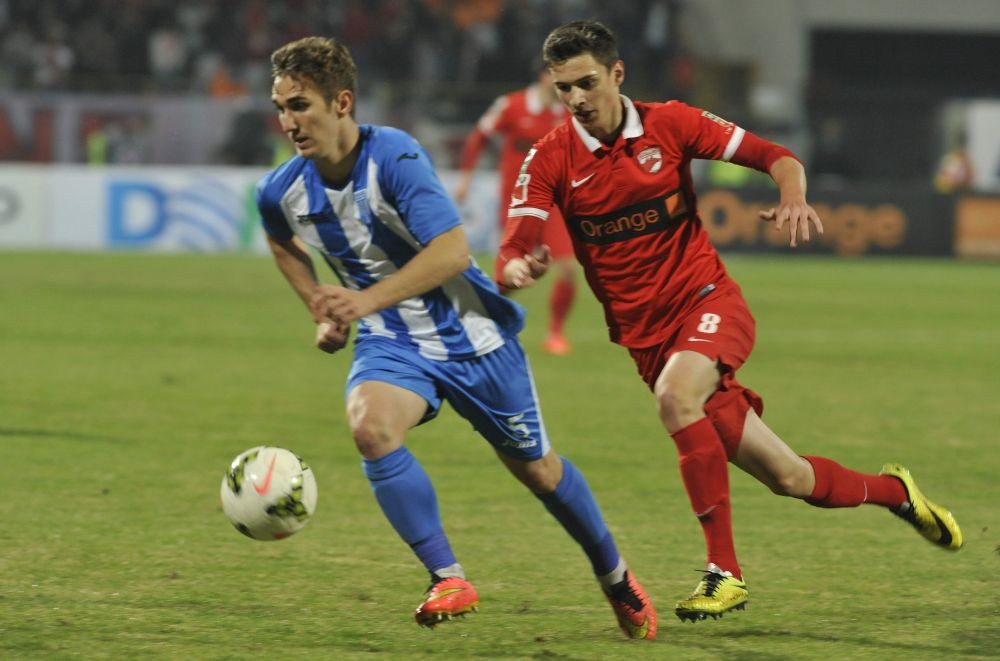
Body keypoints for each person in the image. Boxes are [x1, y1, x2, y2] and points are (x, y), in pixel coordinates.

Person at [498, 20, 964, 623]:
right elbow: (515, 245)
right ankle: (897, 493)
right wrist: (517, 269)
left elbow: (776, 156)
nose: (577, 98)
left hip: (708, 302)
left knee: (676, 398)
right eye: (564, 88)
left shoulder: (671, 123)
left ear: (617, 74)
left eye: (587, 82)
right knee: (790, 477)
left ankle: (724, 573)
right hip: (647, 341)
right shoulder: (550, 157)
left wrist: (792, 195)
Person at [255, 36, 657, 639]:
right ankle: (447, 576)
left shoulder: (393, 156)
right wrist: (318, 304)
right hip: (393, 341)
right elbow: (279, 237)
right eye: (281, 108)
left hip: (474, 337)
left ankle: (615, 576)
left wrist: (361, 301)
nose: (288, 122)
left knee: (539, 472)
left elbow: (451, 252)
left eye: (300, 106)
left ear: (341, 103)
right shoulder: (281, 189)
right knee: (370, 427)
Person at [454, 63, 577, 355]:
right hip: (518, 202)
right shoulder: (511, 105)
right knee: (510, 272)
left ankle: (555, 333)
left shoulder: (569, 111)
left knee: (568, 268)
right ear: (544, 76)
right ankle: (483, 320)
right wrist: (467, 176)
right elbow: (479, 136)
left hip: (555, 202)